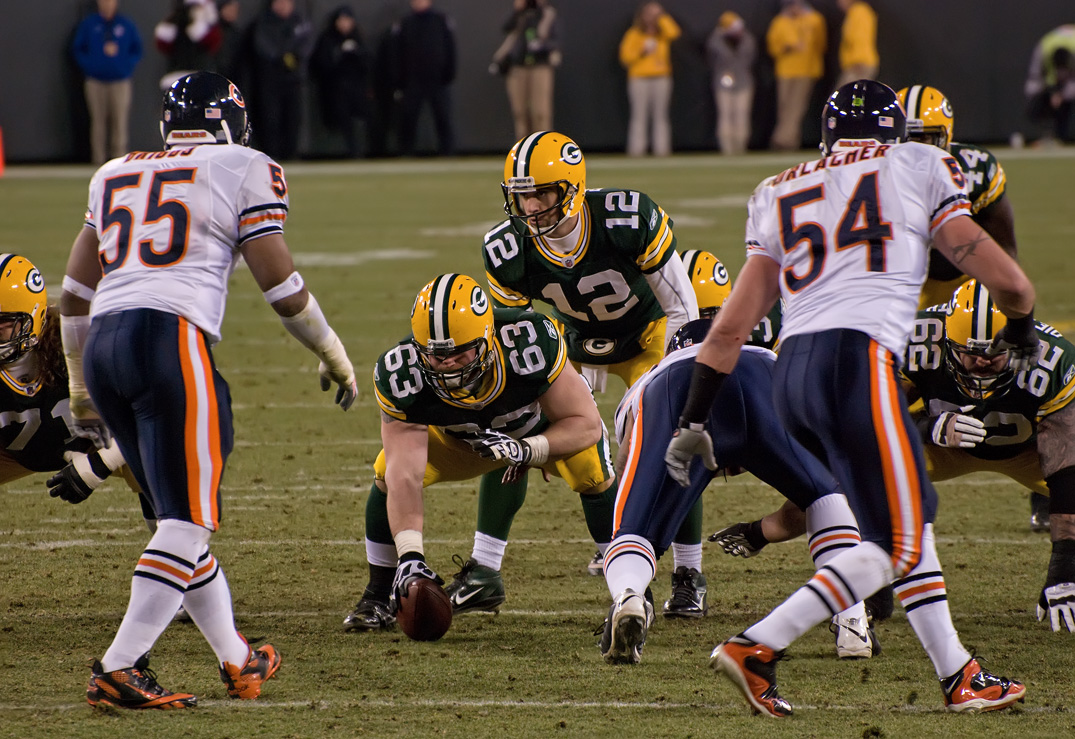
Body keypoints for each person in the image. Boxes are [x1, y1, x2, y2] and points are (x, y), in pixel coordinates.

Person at [665, 80, 1034, 716]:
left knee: (905, 521)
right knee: (896, 543)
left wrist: (693, 418)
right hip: (857, 363)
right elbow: (1008, 280)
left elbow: (729, 329)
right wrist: (1022, 323)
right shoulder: (919, 163)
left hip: (793, 375)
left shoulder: (779, 188)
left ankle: (957, 673)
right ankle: (757, 646)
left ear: (827, 139)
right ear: (894, 134)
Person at [60, 71, 359, 709]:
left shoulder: (113, 170)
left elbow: (76, 292)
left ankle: (237, 658)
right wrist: (330, 349)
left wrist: (83, 381)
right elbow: (279, 283)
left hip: (107, 341)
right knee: (189, 520)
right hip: (169, 342)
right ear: (231, 122)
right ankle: (120, 665)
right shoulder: (243, 164)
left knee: (174, 519)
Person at [480, 130, 697, 583]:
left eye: (542, 193)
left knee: (666, 436)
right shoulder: (507, 250)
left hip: (649, 332)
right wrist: (537, 413)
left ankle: (687, 574)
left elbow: (682, 308)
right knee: (512, 427)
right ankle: (486, 566)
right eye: (522, 196)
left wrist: (663, 380)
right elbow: (518, 342)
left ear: (572, 188)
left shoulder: (626, 217)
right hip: (573, 340)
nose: (532, 206)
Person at [343, 274, 616, 631]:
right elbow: (404, 473)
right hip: (462, 440)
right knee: (385, 472)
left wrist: (527, 450)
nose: (448, 364)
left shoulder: (528, 340)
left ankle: (629, 592)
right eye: (436, 355)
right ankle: (379, 595)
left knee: (591, 470)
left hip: (544, 430)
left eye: (459, 352)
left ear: (488, 336)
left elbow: (585, 424)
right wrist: (410, 555)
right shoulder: (401, 372)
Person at [600, 318, 869, 664]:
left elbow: (627, 467)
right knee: (826, 498)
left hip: (675, 388)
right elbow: (827, 492)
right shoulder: (773, 360)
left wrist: (639, 527)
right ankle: (852, 619)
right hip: (763, 376)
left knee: (633, 529)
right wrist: (763, 530)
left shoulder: (650, 378)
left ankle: (628, 596)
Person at [897, 84, 1045, 529]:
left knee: (1002, 361)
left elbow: (1005, 251)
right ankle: (920, 437)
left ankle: (1044, 473)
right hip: (904, 283)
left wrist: (1006, 306)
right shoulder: (873, 172)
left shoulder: (974, 172)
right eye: (908, 137)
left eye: (926, 137)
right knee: (905, 371)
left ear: (947, 136)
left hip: (965, 276)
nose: (917, 148)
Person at [71, 0, 143, 165]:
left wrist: (125, 66)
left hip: (120, 80)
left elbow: (137, 49)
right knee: (98, 122)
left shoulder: (125, 25)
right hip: (95, 81)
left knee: (120, 121)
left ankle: (119, 160)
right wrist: (90, 66)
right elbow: (78, 49)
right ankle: (98, 160)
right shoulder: (90, 24)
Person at [390, 0, 457, 156]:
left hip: (438, 79)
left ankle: (448, 153)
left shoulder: (441, 21)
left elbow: (450, 49)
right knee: (408, 118)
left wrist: (448, 74)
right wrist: (399, 80)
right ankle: (406, 153)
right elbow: (397, 53)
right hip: (412, 80)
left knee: (443, 117)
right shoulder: (405, 23)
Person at [490, 0, 561, 141]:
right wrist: (518, 10)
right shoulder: (521, 15)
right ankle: (523, 147)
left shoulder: (548, 14)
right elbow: (506, 28)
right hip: (518, 67)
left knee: (540, 112)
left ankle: (543, 146)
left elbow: (556, 40)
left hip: (540, 66)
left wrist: (542, 45)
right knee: (520, 112)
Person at [250, 0, 312, 161]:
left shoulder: (299, 22)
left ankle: (291, 154)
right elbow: (263, 47)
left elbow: (305, 45)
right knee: (271, 118)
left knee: (293, 118)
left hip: (293, 78)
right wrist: (280, 57)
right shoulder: (264, 22)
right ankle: (272, 154)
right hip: (270, 79)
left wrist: (293, 58)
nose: (284, 6)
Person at [619, 2, 681, 157]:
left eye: (656, 14)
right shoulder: (634, 34)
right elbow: (625, 57)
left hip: (661, 78)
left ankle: (662, 151)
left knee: (661, 116)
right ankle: (636, 151)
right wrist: (641, 51)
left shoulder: (662, 34)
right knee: (639, 116)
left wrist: (662, 17)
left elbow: (674, 32)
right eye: (649, 14)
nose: (652, 17)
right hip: (639, 79)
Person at [311, 5, 371, 158]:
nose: (345, 24)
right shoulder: (327, 38)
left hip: (357, 89)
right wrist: (338, 53)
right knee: (341, 120)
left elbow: (368, 64)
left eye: (348, 20)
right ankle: (347, 152)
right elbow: (320, 65)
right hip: (336, 90)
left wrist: (355, 53)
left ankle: (360, 152)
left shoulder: (359, 37)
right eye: (341, 20)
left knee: (361, 120)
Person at [765, 0, 825, 151]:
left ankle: (782, 140)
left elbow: (820, 44)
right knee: (784, 107)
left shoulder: (814, 20)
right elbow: (773, 47)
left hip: (806, 69)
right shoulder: (780, 22)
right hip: (785, 70)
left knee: (796, 107)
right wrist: (787, 47)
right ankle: (789, 141)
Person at [705, 11, 755, 156]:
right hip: (723, 82)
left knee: (741, 113)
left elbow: (749, 59)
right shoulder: (716, 41)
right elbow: (712, 59)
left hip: (743, 81)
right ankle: (726, 148)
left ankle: (741, 146)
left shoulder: (747, 40)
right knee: (725, 114)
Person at [154, 0, 222, 90]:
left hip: (201, 74)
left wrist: (199, 27)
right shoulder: (174, 25)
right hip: (176, 74)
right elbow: (163, 44)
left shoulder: (208, 26)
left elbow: (213, 44)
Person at [1024, 24, 1075, 145]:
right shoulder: (1044, 47)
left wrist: (1063, 94)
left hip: (1069, 84)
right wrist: (1052, 92)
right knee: (1034, 95)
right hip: (1049, 85)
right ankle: (1048, 133)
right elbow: (1034, 77)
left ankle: (1064, 134)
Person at [835, 0, 878, 87]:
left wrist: (858, 60)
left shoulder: (859, 11)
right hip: (857, 63)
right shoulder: (856, 11)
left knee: (845, 97)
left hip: (859, 64)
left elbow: (860, 37)